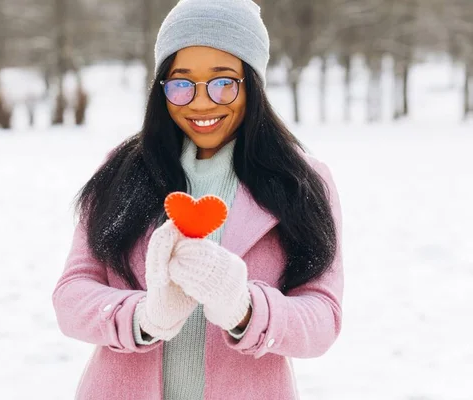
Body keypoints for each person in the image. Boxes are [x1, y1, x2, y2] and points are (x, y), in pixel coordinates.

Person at [52, 0, 343, 398]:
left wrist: (245, 308)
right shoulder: (124, 171)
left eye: (224, 82)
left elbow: (322, 319)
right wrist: (144, 317)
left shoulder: (301, 182)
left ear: (252, 83)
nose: (201, 102)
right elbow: (72, 295)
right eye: (181, 83)